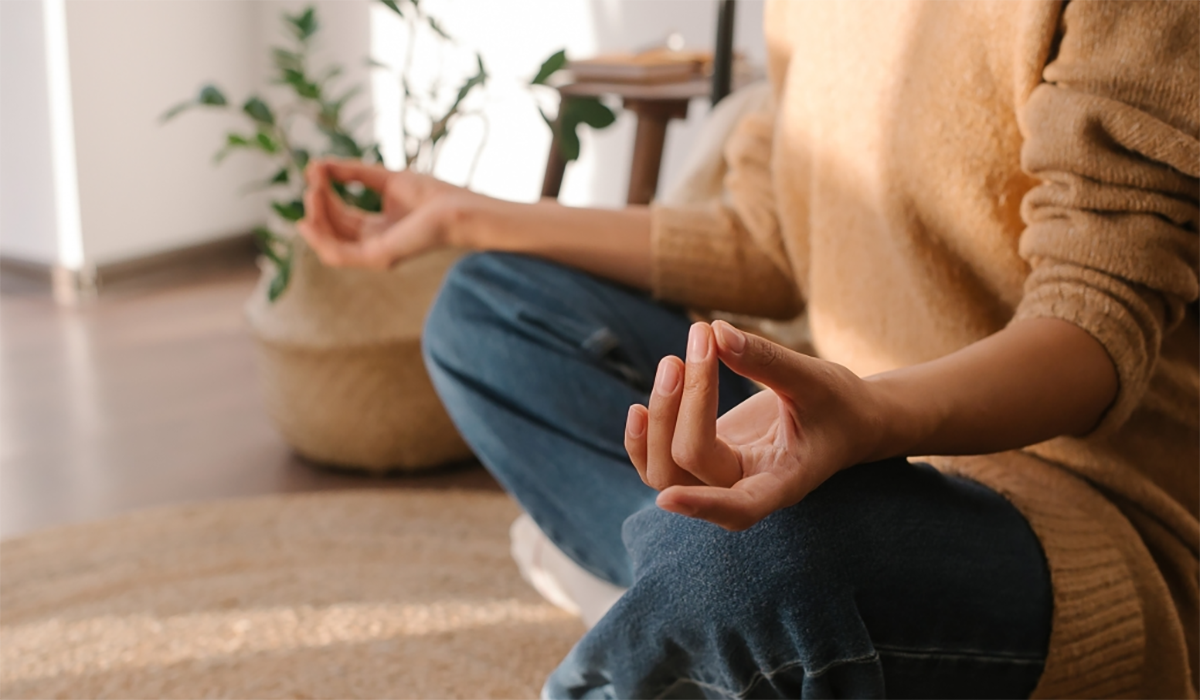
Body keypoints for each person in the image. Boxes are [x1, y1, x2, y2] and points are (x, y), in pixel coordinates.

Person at [297, 0, 1200, 696]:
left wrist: (874, 414)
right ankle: (722, 606)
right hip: (846, 435)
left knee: (746, 559)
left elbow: (1095, 323)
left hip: (1079, 508)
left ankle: (708, 596)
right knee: (487, 312)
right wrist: (464, 215)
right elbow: (767, 240)